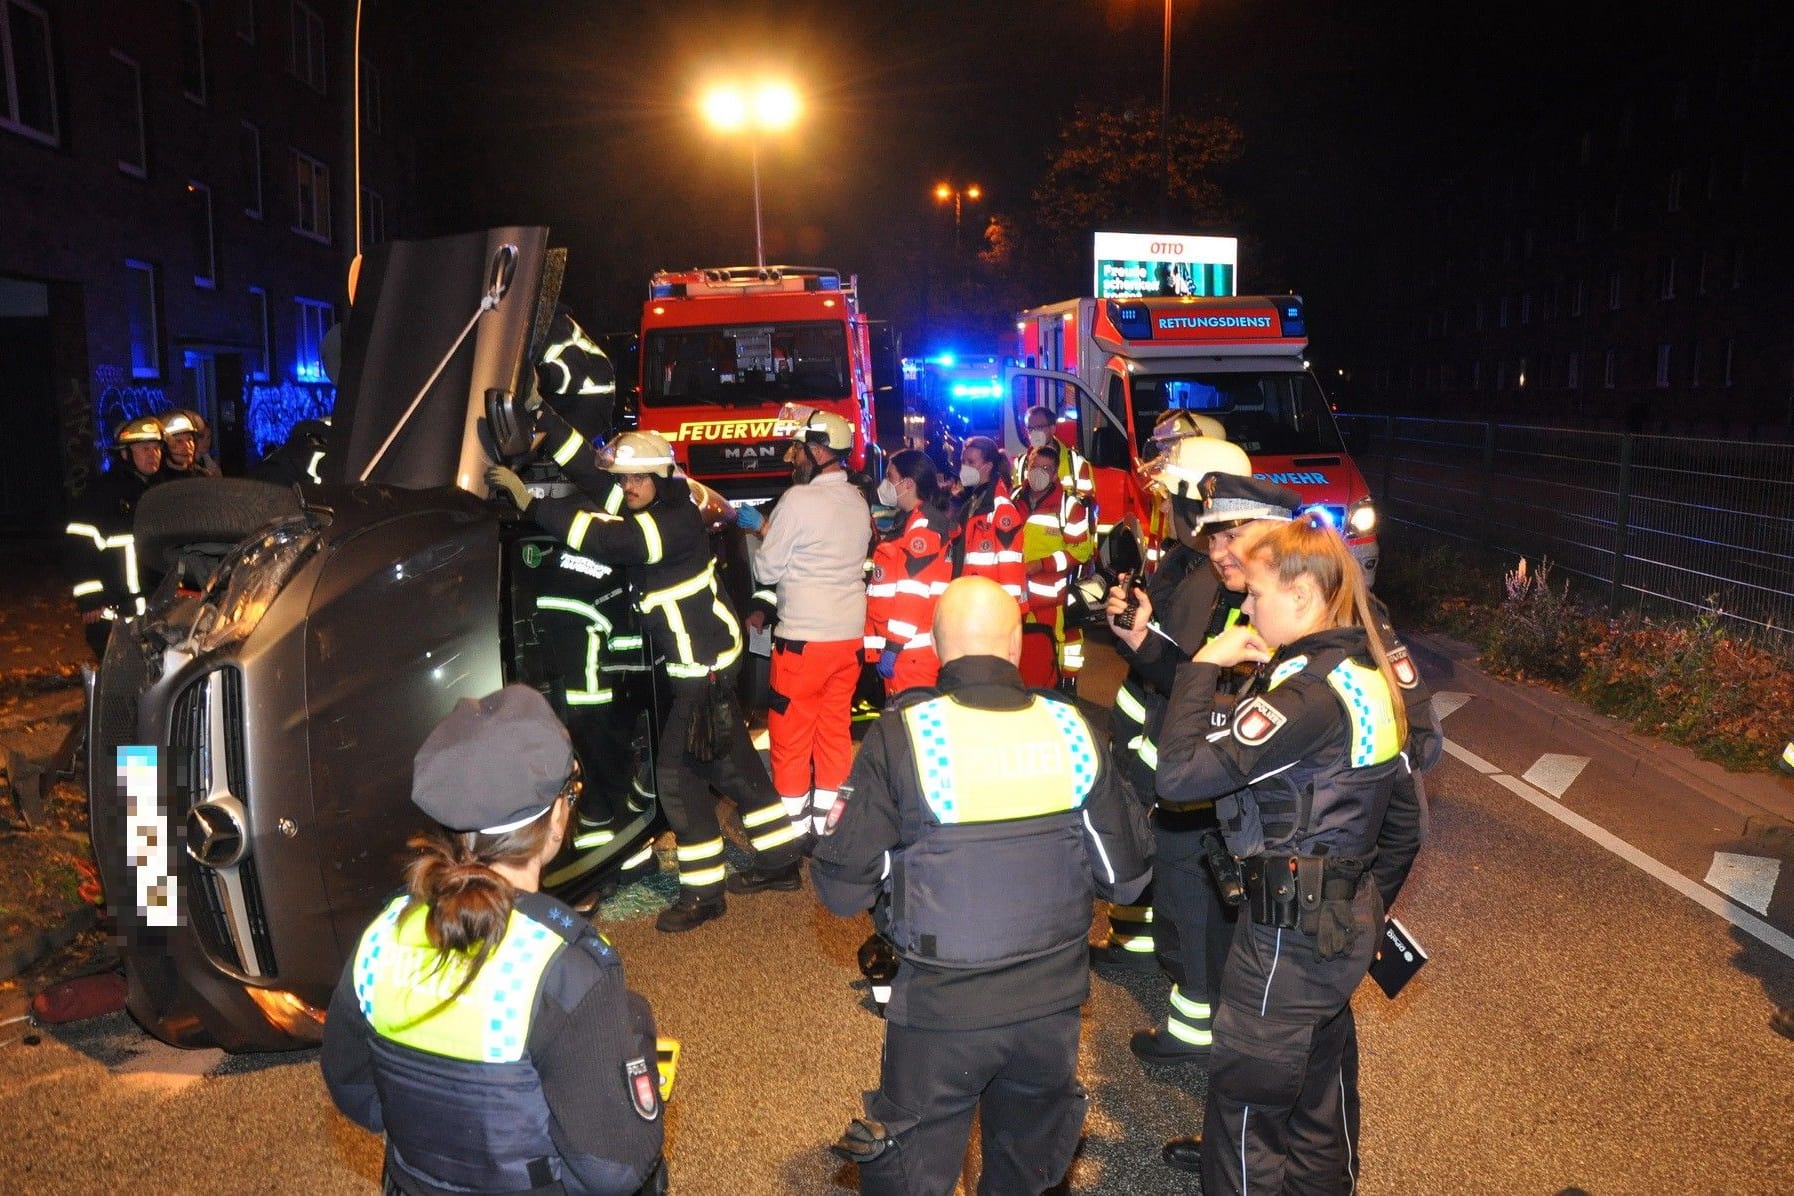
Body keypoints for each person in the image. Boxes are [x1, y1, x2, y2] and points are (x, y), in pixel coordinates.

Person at [812, 577, 1153, 1196]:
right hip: (1050, 1011)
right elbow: (1127, 878)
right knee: (1025, 1174)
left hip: (941, 1012)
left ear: (939, 649)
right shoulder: (1072, 728)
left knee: (914, 1174)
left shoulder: (905, 736)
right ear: (1018, 646)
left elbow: (839, 890)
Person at [1153, 513, 1414, 1195]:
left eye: (1257, 592)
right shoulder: (1366, 675)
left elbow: (1177, 777)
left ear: (1300, 596)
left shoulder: (1304, 696)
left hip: (1284, 940)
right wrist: (1356, 897)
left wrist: (1201, 668)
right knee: (1316, 1109)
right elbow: (1406, 826)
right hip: (1335, 927)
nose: (1245, 605)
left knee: (1247, 1115)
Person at [321, 684, 668, 1196]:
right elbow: (612, 1169)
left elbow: (353, 1088)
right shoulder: (567, 969)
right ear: (555, 819)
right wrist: (631, 1030)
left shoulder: (384, 933)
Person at [487, 431, 804, 932]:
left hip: (701, 670)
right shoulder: (659, 502)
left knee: (677, 779)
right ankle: (782, 858)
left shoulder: (670, 524)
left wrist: (531, 505)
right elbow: (594, 473)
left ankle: (704, 892)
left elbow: (610, 541)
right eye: (625, 478)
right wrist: (546, 425)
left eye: (637, 477)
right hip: (711, 662)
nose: (627, 487)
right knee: (732, 766)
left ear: (659, 477)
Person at [1113, 445, 1305, 1077]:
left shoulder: (1304, 618)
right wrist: (1145, 641)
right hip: (1223, 815)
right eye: (1214, 535)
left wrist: (1353, 885)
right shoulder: (1234, 598)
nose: (1220, 551)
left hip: (1276, 846)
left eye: (1234, 536)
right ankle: (1234, 1129)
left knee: (1267, 1017)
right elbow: (1203, 682)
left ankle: (1242, 1139)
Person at [749, 403, 873, 841]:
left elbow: (766, 570)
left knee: (790, 739)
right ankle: (830, 824)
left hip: (803, 643)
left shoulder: (798, 499)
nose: (796, 458)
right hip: (847, 640)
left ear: (819, 451)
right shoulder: (857, 500)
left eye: (801, 450)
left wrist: (764, 534)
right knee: (834, 735)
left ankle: (791, 833)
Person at [63, 416, 164, 658]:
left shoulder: (163, 491)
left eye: (157, 448)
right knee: (118, 688)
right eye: (144, 449)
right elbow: (78, 546)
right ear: (125, 454)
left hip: (156, 610)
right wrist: (89, 598)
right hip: (113, 615)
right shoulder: (101, 492)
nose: (153, 455)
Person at [865, 449, 953, 699]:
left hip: (911, 654)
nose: (886, 484)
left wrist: (893, 646)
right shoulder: (910, 522)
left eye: (890, 477)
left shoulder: (922, 530)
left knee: (912, 727)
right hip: (907, 651)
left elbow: (912, 593)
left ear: (908, 483)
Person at [1014, 439, 1093, 691]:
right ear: (1028, 468)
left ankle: (1055, 691)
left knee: (1051, 649)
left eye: (1047, 469)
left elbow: (1080, 551)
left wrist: (1042, 565)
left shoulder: (1069, 507)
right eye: (1035, 466)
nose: (1039, 473)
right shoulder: (1013, 499)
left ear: (1055, 471)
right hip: (1015, 594)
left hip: (1049, 599)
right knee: (1017, 649)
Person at [950, 435, 1025, 611]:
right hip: (972, 602)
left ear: (988, 466)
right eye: (963, 461)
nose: (965, 467)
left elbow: (1010, 566)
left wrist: (1008, 612)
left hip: (991, 608)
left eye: (971, 462)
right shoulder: (973, 502)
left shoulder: (1000, 509)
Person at [1013, 404, 1095, 508]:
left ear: (1052, 428)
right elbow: (1016, 502)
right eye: (1030, 428)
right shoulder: (1020, 464)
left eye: (1039, 427)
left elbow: (1088, 505)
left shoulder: (1076, 463)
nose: (1034, 433)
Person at [156, 409, 215, 479]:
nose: (187, 446)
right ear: (165, 447)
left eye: (190, 439)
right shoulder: (157, 482)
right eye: (179, 441)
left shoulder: (202, 477)